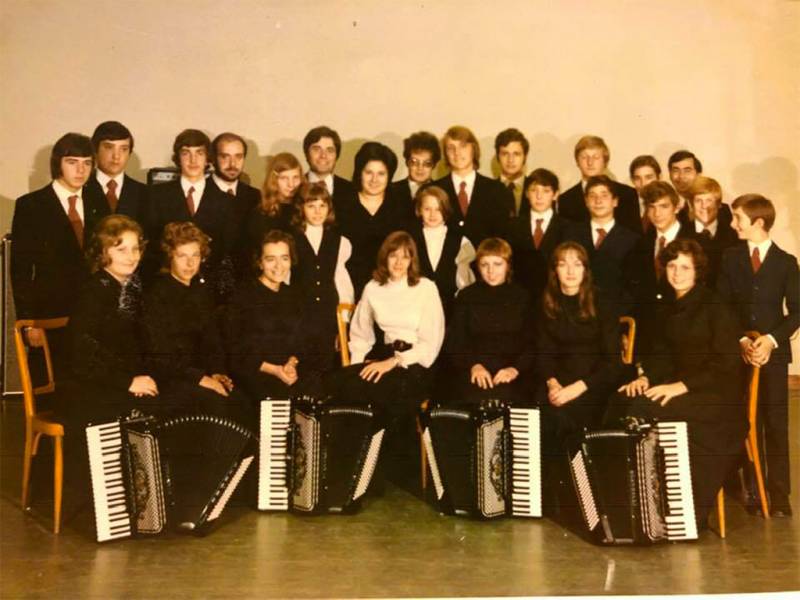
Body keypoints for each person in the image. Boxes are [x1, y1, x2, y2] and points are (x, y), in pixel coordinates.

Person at [611, 238, 745, 527]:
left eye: (685, 267)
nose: (677, 273)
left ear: (697, 271)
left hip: (717, 398)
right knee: (622, 400)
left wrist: (680, 386)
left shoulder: (715, 306)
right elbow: (664, 357)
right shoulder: (669, 307)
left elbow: (727, 364)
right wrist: (646, 378)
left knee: (644, 409)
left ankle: (669, 507)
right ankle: (638, 501)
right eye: (672, 266)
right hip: (684, 389)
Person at [332, 231, 444, 488]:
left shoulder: (426, 288)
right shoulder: (373, 288)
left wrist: (393, 362)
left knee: (384, 393)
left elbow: (430, 344)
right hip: (384, 358)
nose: (399, 263)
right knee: (342, 384)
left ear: (412, 260)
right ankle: (351, 475)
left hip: (416, 362)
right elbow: (360, 335)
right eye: (393, 256)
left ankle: (377, 473)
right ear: (385, 258)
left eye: (405, 257)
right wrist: (355, 371)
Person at [718, 194, 799, 517]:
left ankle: (778, 494)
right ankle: (754, 490)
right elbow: (722, 306)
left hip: (773, 358)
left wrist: (770, 340)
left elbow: (797, 312)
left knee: (775, 424)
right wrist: (741, 340)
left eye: (737, 218)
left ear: (758, 222)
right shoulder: (730, 258)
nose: (732, 224)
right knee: (746, 422)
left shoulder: (786, 262)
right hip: (740, 356)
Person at [11, 133, 108, 381]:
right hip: (48, 315)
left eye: (87, 163)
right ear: (58, 164)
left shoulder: (97, 201)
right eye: (72, 162)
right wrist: (29, 321)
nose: (81, 170)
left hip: (92, 314)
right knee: (50, 386)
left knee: (90, 385)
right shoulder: (31, 205)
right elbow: (20, 270)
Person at [69, 215, 158, 424]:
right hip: (94, 390)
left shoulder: (133, 288)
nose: (131, 257)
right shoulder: (92, 292)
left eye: (135, 249)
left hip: (121, 382)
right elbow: (83, 356)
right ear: (103, 252)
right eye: (121, 250)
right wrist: (128, 382)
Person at [143, 221, 236, 417]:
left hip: (200, 374)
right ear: (170, 256)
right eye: (182, 256)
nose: (190, 263)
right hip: (171, 377)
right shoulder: (156, 295)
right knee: (216, 404)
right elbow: (162, 355)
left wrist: (217, 371)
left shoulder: (201, 291)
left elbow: (212, 339)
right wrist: (202, 379)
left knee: (240, 400)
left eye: (195, 255)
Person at [537, 241, 622, 452]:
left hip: (594, 382)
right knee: (537, 414)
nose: (570, 271)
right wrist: (552, 384)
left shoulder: (603, 301)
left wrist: (575, 389)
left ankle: (573, 472)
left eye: (577, 264)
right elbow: (544, 353)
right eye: (563, 264)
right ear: (555, 271)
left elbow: (612, 363)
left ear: (585, 269)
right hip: (558, 382)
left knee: (563, 419)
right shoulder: (546, 302)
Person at [224, 230, 312, 423]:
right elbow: (237, 352)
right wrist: (275, 370)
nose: (279, 266)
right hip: (255, 372)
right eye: (271, 259)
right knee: (276, 397)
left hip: (287, 371)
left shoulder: (294, 295)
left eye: (284, 258)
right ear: (259, 262)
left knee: (315, 395)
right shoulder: (242, 297)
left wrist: (291, 364)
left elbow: (301, 342)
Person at [443, 237, 534, 407]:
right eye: (484, 265)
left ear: (508, 266)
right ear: (478, 266)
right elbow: (456, 341)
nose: (491, 271)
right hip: (473, 370)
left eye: (497, 264)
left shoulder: (523, 297)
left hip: (512, 372)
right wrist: (474, 365)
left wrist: (514, 369)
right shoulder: (466, 296)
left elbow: (531, 343)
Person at [148, 129, 231, 294]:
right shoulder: (157, 195)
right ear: (178, 158)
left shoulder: (225, 201)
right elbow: (152, 244)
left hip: (209, 289)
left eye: (199, 153)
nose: (193, 160)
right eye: (186, 153)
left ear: (208, 159)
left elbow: (225, 251)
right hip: (167, 287)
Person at [290, 182, 354, 374]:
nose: (317, 212)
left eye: (322, 206)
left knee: (327, 368)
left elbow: (342, 282)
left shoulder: (340, 242)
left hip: (328, 316)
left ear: (329, 208)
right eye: (311, 206)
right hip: (299, 315)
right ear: (301, 208)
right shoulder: (291, 240)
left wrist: (343, 324)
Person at [631, 180, 694, 353]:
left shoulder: (695, 241)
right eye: (651, 207)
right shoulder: (640, 244)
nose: (657, 213)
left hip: (685, 334)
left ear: (676, 207)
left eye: (664, 206)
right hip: (647, 336)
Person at [337, 141, 406, 299]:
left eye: (381, 173)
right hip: (348, 288)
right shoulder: (341, 204)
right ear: (359, 173)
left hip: (390, 289)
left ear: (389, 176)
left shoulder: (400, 206)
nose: (374, 179)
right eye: (368, 172)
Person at [564, 175, 641, 315]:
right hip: (575, 312)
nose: (598, 201)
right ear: (586, 201)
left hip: (615, 315)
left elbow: (633, 288)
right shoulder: (570, 234)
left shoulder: (632, 240)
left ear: (615, 201)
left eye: (604, 195)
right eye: (592, 196)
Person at [430, 125, 514, 246]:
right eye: (451, 148)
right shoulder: (433, 190)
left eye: (463, 146)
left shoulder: (497, 190)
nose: (457, 153)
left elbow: (503, 239)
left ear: (473, 149)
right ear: (445, 154)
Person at [408, 185, 475, 320]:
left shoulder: (461, 241)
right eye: (427, 209)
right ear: (419, 210)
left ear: (446, 210)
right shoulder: (410, 239)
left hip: (450, 309)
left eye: (438, 209)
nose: (432, 215)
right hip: (416, 306)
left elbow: (465, 282)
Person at [508, 168, 568, 307]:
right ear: (526, 193)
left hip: (556, 299)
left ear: (555, 194)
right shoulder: (512, 226)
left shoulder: (567, 227)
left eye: (546, 191)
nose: (539, 196)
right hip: (519, 299)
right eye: (534, 190)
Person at [557, 135, 641, 233]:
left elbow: (635, 235)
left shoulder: (627, 194)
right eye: (584, 157)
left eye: (596, 157)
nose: (590, 162)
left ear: (605, 161)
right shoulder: (566, 199)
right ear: (577, 161)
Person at [208, 132, 262, 281]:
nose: (232, 164)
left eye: (238, 157)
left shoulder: (255, 196)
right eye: (225, 157)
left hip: (246, 282)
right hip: (207, 283)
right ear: (213, 158)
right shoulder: (200, 193)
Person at [244, 152, 305, 270]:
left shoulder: (306, 207)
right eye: (284, 178)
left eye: (295, 178)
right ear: (274, 179)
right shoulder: (260, 213)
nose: (291, 184)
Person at [86, 121, 149, 227]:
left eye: (124, 149)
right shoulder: (81, 188)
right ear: (95, 150)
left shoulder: (144, 193)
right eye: (109, 147)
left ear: (129, 153)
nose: (116, 156)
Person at [688, 175, 737, 287]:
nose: (704, 206)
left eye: (709, 200)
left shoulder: (733, 235)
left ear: (719, 204)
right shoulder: (681, 233)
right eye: (698, 201)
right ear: (691, 204)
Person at [302, 125, 355, 213]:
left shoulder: (352, 191)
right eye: (317, 149)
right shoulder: (295, 189)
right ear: (306, 153)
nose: (323, 155)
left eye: (330, 150)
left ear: (336, 156)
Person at [391, 131, 441, 221]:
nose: (420, 168)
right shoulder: (391, 190)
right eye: (414, 162)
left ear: (434, 165)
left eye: (427, 163)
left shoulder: (441, 191)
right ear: (407, 162)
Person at [494, 128, 529, 216]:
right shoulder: (487, 191)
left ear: (525, 157)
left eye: (516, 154)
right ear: (498, 157)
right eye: (505, 154)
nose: (510, 160)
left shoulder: (537, 189)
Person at [628, 154, 661, 228]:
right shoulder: (625, 206)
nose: (643, 183)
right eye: (637, 178)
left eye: (648, 177)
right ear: (632, 180)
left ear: (659, 177)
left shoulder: (670, 204)